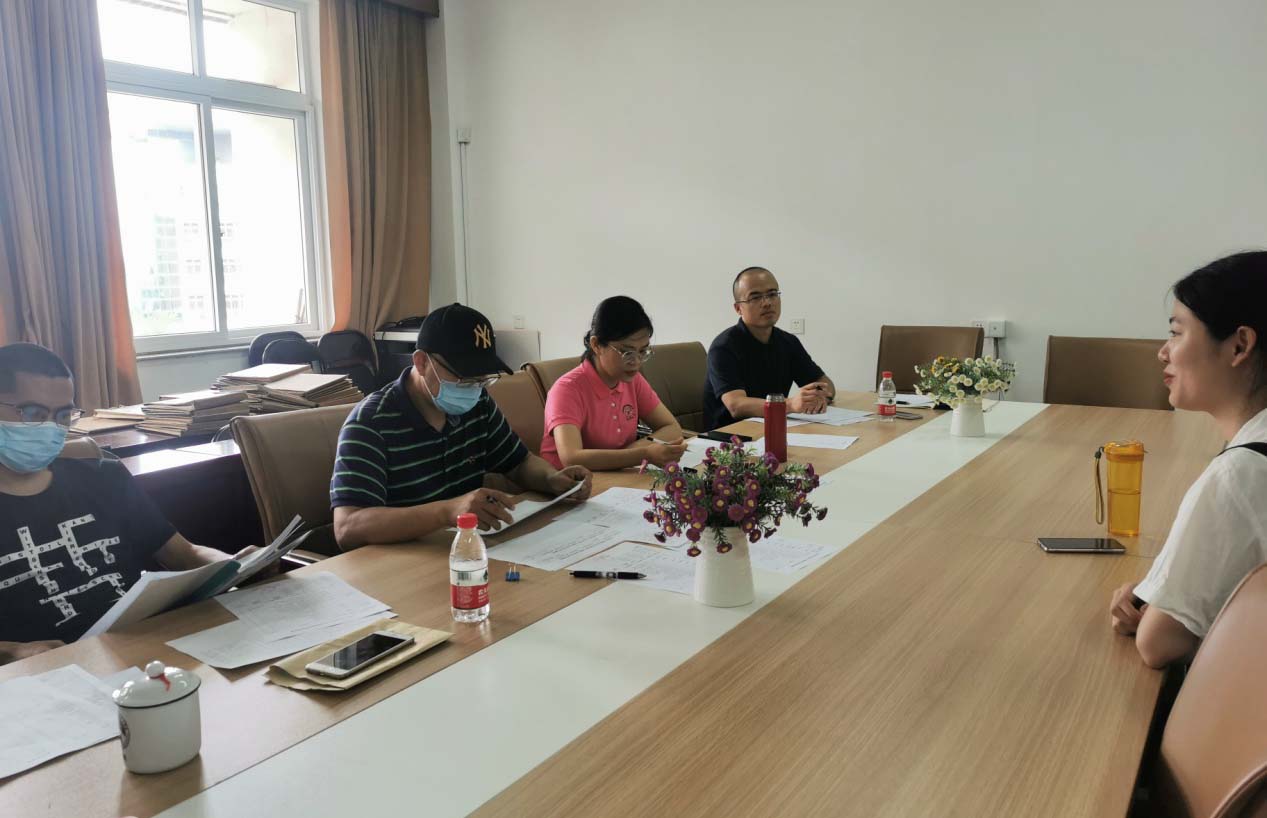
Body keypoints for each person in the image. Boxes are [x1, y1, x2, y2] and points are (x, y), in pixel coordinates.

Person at [0, 344, 247, 664]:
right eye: (33, 414)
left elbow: (184, 554)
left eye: (62, 416)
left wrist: (235, 566)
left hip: (145, 650)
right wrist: (15, 651)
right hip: (45, 672)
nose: (51, 429)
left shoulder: (104, 477)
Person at [1109, 251, 1267, 668]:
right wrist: (1164, 589)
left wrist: (1153, 611)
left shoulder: (1241, 472)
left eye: (1177, 333)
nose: (1163, 352)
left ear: (1239, 345)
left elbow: (1161, 642)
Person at [331, 304, 593, 547]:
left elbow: (519, 462)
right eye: (464, 377)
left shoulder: (478, 403)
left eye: (481, 379)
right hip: (401, 561)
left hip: (465, 550)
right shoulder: (370, 424)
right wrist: (446, 512)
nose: (474, 388)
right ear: (421, 362)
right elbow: (347, 527)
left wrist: (551, 478)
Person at [540, 296, 687, 471]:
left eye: (643, 351)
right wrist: (643, 454)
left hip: (615, 475)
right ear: (596, 345)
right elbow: (571, 458)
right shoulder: (567, 390)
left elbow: (671, 427)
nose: (636, 362)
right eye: (626, 352)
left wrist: (625, 457)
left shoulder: (632, 380)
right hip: (569, 482)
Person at [702, 266, 836, 430]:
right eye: (755, 297)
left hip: (775, 426)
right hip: (732, 436)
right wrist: (790, 404)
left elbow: (824, 383)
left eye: (772, 294)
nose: (767, 303)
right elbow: (736, 405)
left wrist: (819, 395)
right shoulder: (723, 347)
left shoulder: (788, 342)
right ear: (738, 308)